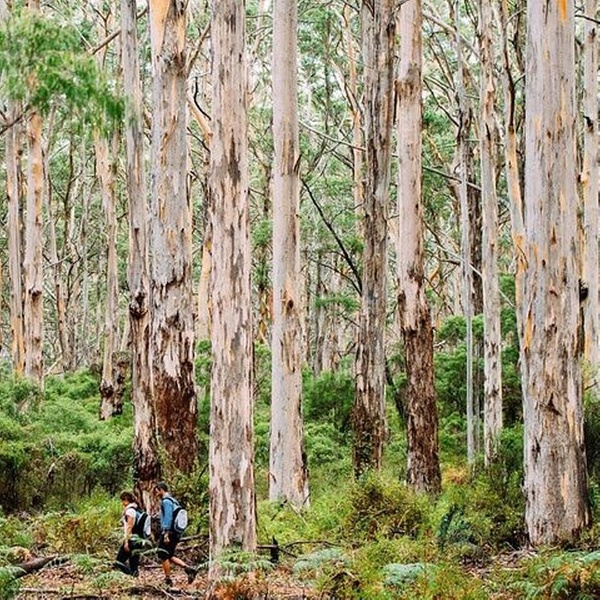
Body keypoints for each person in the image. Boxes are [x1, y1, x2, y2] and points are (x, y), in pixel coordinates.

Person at [154, 481, 197, 586]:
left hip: (170, 532)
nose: (156, 494)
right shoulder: (174, 501)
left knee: (162, 554)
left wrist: (166, 533)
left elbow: (168, 517)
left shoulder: (166, 501)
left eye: (157, 491)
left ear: (161, 490)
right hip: (176, 532)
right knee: (169, 555)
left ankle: (168, 580)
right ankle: (189, 569)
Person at [114, 491, 143, 577]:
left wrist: (126, 542)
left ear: (126, 500)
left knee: (119, 562)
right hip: (138, 539)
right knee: (134, 564)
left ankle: (130, 575)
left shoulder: (130, 511)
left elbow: (129, 527)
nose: (122, 503)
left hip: (131, 539)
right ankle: (134, 578)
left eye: (123, 500)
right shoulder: (137, 509)